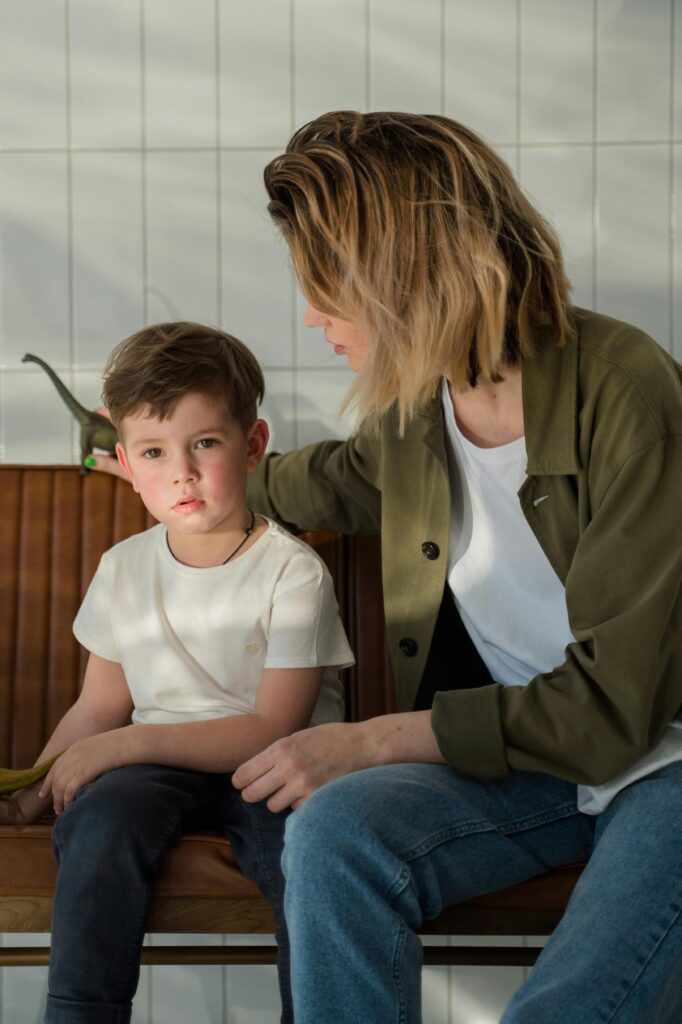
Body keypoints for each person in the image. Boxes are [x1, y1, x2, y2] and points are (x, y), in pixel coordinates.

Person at [90, 112, 682, 1024]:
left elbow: (613, 711)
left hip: (662, 759)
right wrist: (169, 469)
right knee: (333, 834)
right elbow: (320, 480)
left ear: (405, 277)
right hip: (539, 764)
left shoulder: (628, 393)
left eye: (328, 289)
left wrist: (369, 740)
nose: (313, 317)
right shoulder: (417, 413)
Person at [0, 321, 353, 1024]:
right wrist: (35, 792)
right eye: (155, 451)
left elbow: (270, 727)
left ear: (253, 446)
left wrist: (122, 745)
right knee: (100, 823)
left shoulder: (292, 572)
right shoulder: (124, 569)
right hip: (156, 768)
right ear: (126, 460)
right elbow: (99, 710)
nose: (182, 472)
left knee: (310, 853)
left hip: (278, 767)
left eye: (205, 444)